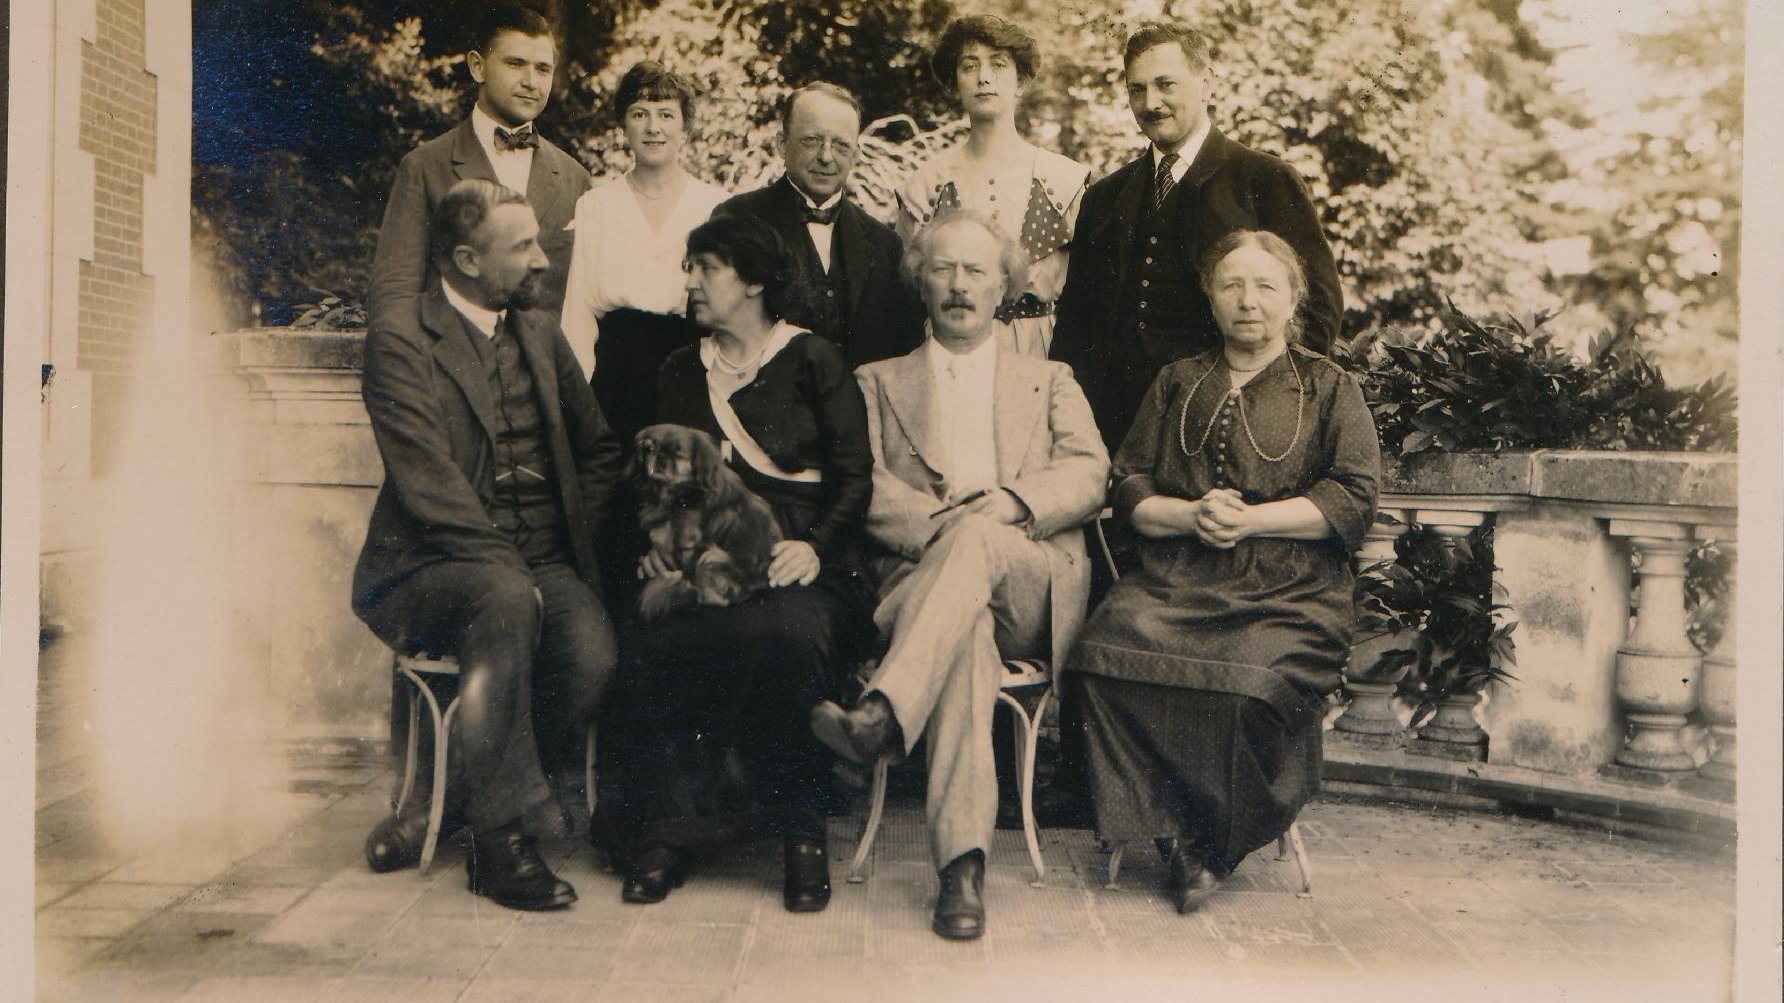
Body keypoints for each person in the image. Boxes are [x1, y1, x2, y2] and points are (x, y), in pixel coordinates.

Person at [811, 210, 1109, 941]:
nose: (958, 284)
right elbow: (864, 486)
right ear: (920, 281)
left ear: (1004, 283)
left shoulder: (1049, 378)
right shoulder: (876, 381)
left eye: (976, 270)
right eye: (942, 268)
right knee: (965, 635)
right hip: (929, 583)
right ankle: (962, 870)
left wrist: (1012, 502)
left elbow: (1092, 472)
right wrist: (948, 528)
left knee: (977, 546)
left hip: (1028, 575)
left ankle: (884, 714)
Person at [1068, 230, 1379, 914]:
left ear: (1293, 298)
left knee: (1247, 684)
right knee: (1101, 656)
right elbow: (1127, 483)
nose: (1249, 301)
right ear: (1210, 297)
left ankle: (1212, 843)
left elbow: (1354, 496)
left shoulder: (1330, 387)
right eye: (1232, 284)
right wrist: (1188, 516)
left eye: (1266, 286)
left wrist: (1251, 521)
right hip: (1178, 578)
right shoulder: (1178, 380)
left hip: (1291, 591)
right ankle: (1171, 829)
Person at [352, 179, 626, 911]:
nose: (542, 261)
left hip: (538, 557)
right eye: (523, 246)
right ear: (467, 259)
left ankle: (451, 802)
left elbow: (600, 450)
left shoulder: (539, 331)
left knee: (593, 656)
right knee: (505, 598)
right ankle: (499, 844)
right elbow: (427, 483)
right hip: (428, 566)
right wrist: (513, 571)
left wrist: (568, 538)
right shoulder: (401, 340)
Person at [598, 214, 877, 913]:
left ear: (753, 280)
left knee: (786, 635)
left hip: (803, 560)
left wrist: (814, 544)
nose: (689, 283)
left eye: (705, 268)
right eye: (688, 268)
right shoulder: (678, 370)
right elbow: (656, 484)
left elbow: (854, 476)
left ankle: (800, 830)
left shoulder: (814, 359)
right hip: (708, 558)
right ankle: (669, 829)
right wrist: (657, 545)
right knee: (658, 632)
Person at [1052, 22, 1343, 452]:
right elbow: (1076, 327)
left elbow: (1317, 306)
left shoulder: (1263, 178)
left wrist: (1264, 405)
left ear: (1206, 83)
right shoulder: (1104, 197)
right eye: (1137, 90)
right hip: (1116, 433)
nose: (1151, 103)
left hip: (1231, 426)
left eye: (1166, 84)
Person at [368, 4, 590, 329]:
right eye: (515, 64)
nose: (531, 81)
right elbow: (394, 294)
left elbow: (582, 303)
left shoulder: (575, 177)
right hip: (454, 372)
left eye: (543, 69)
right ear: (477, 67)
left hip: (545, 375)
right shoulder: (424, 166)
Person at [897, 15, 1090, 359]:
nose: (984, 77)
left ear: (1021, 80)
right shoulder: (925, 187)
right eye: (969, 66)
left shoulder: (1064, 181)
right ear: (955, 83)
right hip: (948, 351)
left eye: (998, 64)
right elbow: (908, 298)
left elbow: (1089, 295)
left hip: (1041, 352)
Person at [560, 61, 728, 442]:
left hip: (693, 372)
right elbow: (578, 314)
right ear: (624, 125)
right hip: (615, 377)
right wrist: (578, 400)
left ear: (685, 126)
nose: (653, 127)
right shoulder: (596, 206)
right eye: (640, 114)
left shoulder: (716, 206)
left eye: (666, 114)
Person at [712, 83, 924, 368]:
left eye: (840, 145)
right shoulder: (736, 220)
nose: (826, 157)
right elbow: (708, 339)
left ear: (856, 155)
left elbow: (905, 354)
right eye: (812, 140)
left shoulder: (885, 244)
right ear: (781, 144)